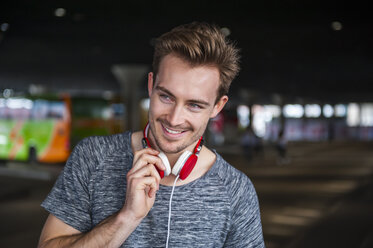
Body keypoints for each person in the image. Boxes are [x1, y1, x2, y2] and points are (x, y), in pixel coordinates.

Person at [38, 22, 265, 248]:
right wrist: (127, 217)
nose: (174, 119)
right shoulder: (93, 157)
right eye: (166, 97)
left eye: (194, 105)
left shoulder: (236, 191)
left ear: (217, 106)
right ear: (151, 85)